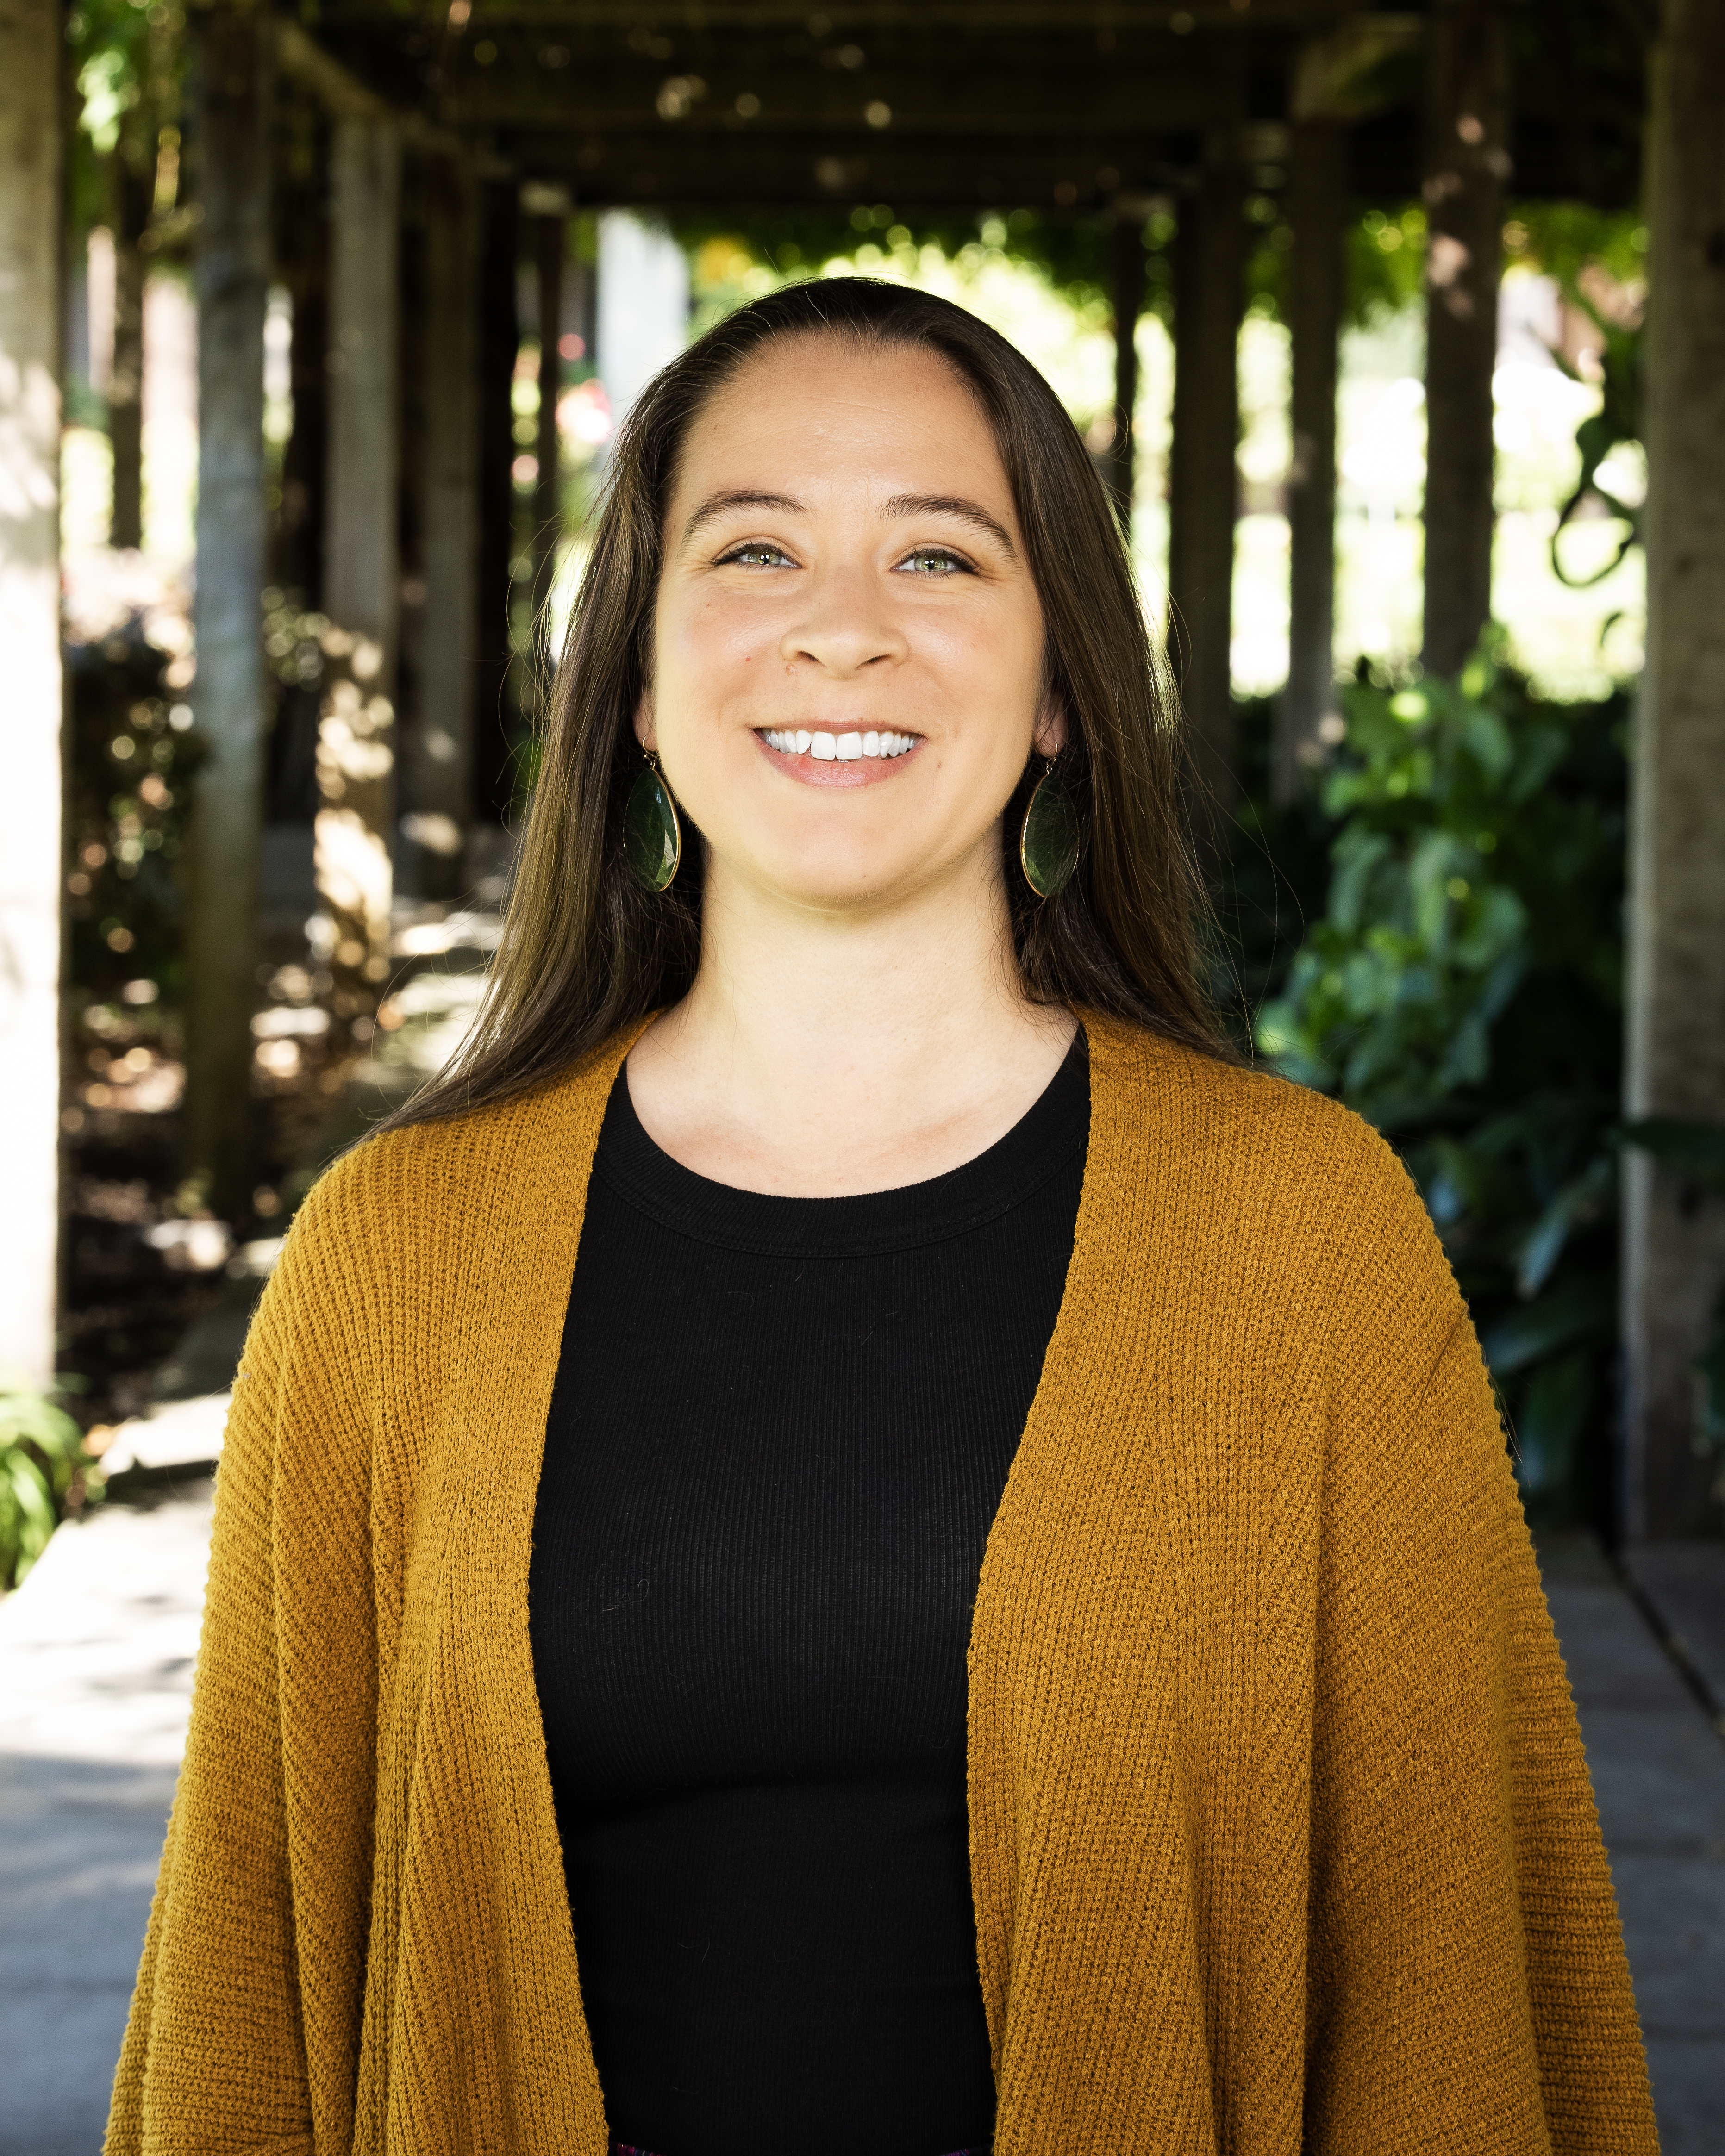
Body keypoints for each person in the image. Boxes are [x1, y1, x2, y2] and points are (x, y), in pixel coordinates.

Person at [106, 278, 1656, 2156]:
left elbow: (1447, 1992)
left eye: (937, 557)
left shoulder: (1300, 1242)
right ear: (635, 685)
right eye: (753, 550)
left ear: (1065, 685)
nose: (839, 634)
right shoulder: (390, 1263)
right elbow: (237, 2009)